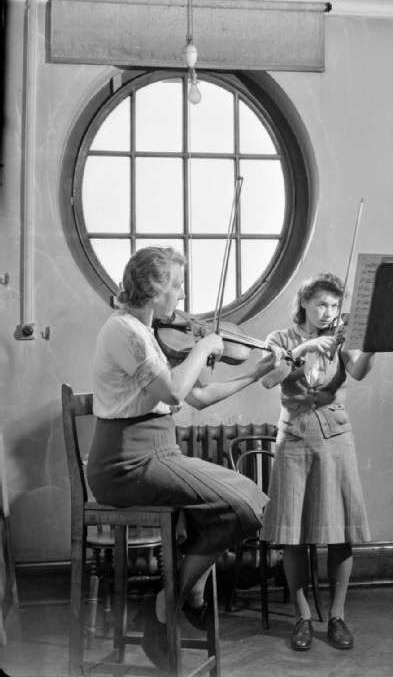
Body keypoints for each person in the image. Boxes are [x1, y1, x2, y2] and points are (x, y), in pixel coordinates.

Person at [86, 246, 279, 670]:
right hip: (126, 463)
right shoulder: (123, 331)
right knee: (245, 506)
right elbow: (174, 390)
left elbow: (200, 396)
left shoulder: (145, 332)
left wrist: (255, 373)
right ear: (155, 290)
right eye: (177, 285)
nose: (182, 296)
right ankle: (168, 602)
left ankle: (178, 596)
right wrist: (204, 345)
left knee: (248, 502)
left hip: (159, 451)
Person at [260, 272, 374, 652]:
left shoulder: (341, 337)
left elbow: (358, 371)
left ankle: (337, 616)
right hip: (294, 438)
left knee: (340, 533)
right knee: (292, 535)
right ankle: (303, 617)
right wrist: (308, 346)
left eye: (334, 306)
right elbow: (270, 378)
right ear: (304, 304)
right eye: (322, 304)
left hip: (336, 438)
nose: (328, 312)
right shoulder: (280, 339)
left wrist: (371, 346)